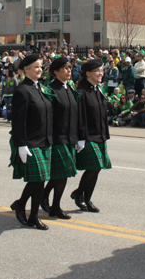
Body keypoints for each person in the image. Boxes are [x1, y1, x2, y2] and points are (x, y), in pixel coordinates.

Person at [9, 54, 53, 230]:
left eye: (41, 66)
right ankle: (26, 208)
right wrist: (21, 144)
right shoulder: (22, 90)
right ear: (25, 69)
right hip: (31, 141)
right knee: (38, 179)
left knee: (40, 180)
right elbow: (18, 121)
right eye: (35, 66)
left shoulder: (40, 88)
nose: (40, 69)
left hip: (44, 140)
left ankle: (28, 210)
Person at [40, 57, 78, 220]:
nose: (69, 71)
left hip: (70, 137)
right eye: (65, 68)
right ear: (55, 72)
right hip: (56, 137)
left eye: (70, 68)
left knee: (61, 174)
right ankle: (55, 206)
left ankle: (45, 196)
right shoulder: (50, 90)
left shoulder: (69, 87)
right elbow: (47, 116)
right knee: (62, 173)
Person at [71, 60, 111, 213]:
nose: (101, 73)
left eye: (102, 70)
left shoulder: (97, 89)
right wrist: (80, 138)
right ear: (88, 73)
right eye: (97, 71)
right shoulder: (81, 92)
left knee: (97, 168)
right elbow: (80, 116)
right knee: (94, 166)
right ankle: (81, 195)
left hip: (100, 134)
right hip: (87, 136)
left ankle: (84, 196)